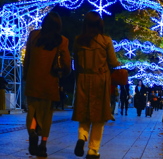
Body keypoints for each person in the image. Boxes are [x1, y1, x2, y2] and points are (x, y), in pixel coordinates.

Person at [72, 11, 120, 159]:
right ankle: (93, 150)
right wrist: (120, 64)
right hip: (100, 79)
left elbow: (76, 63)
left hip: (83, 79)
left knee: (84, 112)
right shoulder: (105, 40)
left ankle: (82, 137)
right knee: (99, 116)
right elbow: (112, 62)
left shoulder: (78, 40)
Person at [23, 11, 71, 157]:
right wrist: (64, 74)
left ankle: (32, 133)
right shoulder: (62, 40)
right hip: (50, 81)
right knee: (46, 114)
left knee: (33, 111)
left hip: (33, 80)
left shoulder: (34, 35)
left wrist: (27, 76)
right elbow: (66, 63)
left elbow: (28, 58)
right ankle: (43, 145)